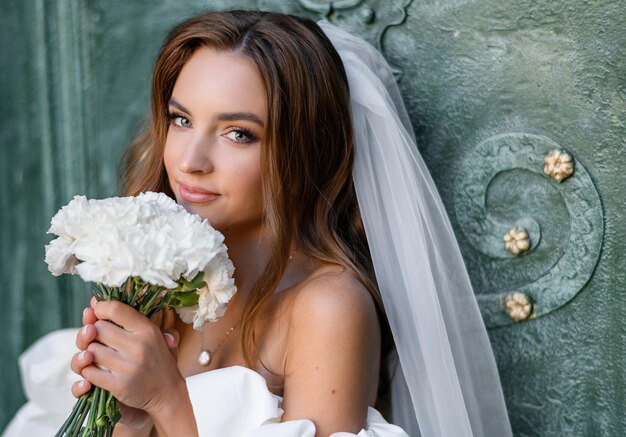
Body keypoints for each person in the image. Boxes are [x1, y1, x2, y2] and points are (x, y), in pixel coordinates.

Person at [3, 10, 512, 437]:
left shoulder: (326, 308)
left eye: (238, 133)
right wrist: (131, 424)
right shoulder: (156, 281)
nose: (189, 161)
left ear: (305, 151)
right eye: (182, 120)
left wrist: (168, 402)